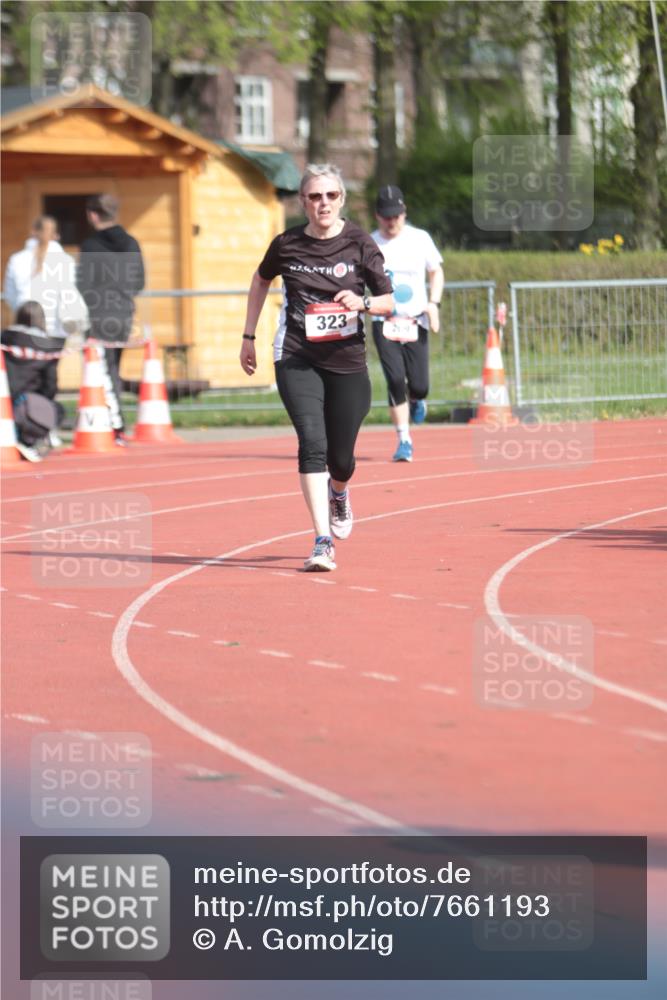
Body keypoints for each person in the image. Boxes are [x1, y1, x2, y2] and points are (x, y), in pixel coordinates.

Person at [240, 163, 394, 572]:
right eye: (314, 196)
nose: (322, 203)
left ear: (341, 199)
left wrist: (361, 303)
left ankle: (338, 493)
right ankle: (322, 540)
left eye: (330, 195)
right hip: (295, 355)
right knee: (312, 443)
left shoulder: (360, 243)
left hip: (346, 362)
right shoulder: (286, 244)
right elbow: (260, 280)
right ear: (303, 202)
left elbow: (387, 302)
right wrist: (248, 336)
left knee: (341, 459)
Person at [371, 185, 444, 462]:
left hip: (416, 320)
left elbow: (436, 271)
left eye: (397, 216)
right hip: (384, 321)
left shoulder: (420, 238)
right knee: (394, 380)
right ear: (378, 216)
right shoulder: (370, 243)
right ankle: (404, 439)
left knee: (420, 384)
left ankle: (417, 399)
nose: (392, 222)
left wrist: (433, 304)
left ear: (404, 213)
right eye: (387, 217)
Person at [3, 215, 88, 447]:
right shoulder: (65, 261)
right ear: (56, 234)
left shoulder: (17, 259)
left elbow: (10, 294)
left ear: (32, 231)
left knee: (20, 380)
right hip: (53, 330)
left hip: (24, 328)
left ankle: (21, 422)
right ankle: (44, 424)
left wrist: (23, 314)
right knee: (47, 382)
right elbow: (69, 296)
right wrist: (74, 329)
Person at [77, 193, 145, 445]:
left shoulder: (90, 245)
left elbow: (83, 283)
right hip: (123, 314)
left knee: (100, 370)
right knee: (112, 369)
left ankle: (113, 426)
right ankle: (108, 422)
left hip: (98, 314)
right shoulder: (131, 243)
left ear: (93, 215)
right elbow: (139, 281)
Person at [1, 301, 65, 462]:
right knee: (57, 409)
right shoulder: (47, 348)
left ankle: (25, 437)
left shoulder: (4, 338)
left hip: (6, 402)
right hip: (26, 408)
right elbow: (50, 386)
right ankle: (27, 439)